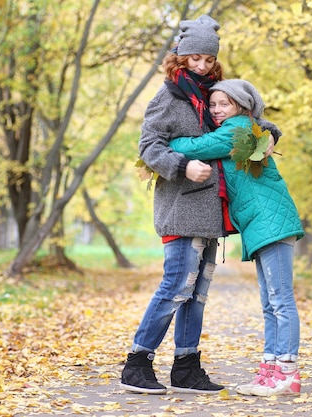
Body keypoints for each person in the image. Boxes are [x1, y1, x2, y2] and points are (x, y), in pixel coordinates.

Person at [120, 15, 280, 395]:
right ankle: (136, 363)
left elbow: (248, 119)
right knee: (177, 285)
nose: (202, 66)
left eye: (208, 60)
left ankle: (186, 367)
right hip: (180, 207)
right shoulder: (168, 97)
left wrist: (271, 133)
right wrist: (181, 164)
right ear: (180, 55)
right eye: (195, 58)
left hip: (212, 211)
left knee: (197, 292)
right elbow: (148, 147)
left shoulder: (215, 97)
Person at [168, 79, 304, 397]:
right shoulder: (245, 128)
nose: (216, 110)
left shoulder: (238, 129)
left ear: (241, 106)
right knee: (270, 303)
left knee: (281, 300)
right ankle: (270, 372)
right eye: (212, 104)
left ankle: (287, 372)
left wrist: (163, 144)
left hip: (272, 222)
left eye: (223, 104)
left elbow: (196, 147)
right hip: (261, 224)